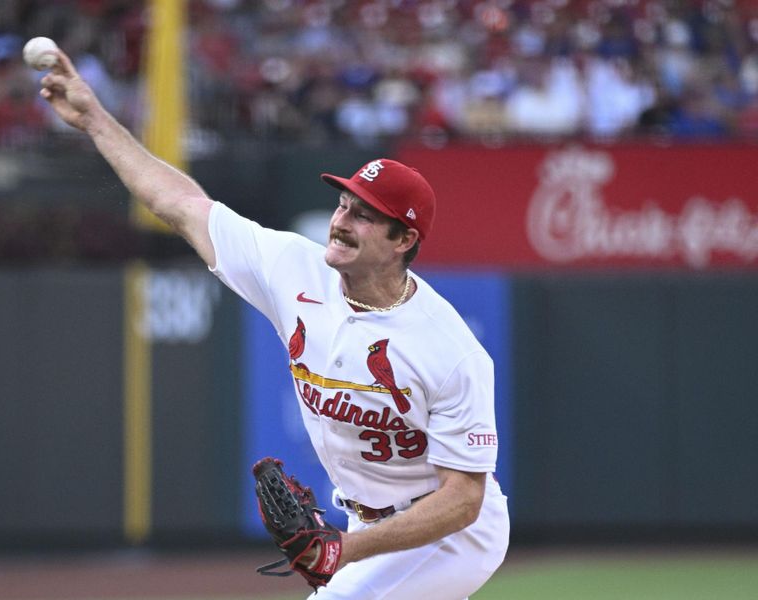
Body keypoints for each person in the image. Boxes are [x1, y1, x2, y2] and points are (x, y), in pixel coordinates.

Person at [38, 49, 509, 600]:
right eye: (343, 203)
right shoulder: (292, 268)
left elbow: (463, 499)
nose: (342, 220)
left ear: (404, 241)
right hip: (367, 523)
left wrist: (339, 550)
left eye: (364, 215)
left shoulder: (450, 349)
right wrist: (95, 117)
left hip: (449, 534)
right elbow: (180, 204)